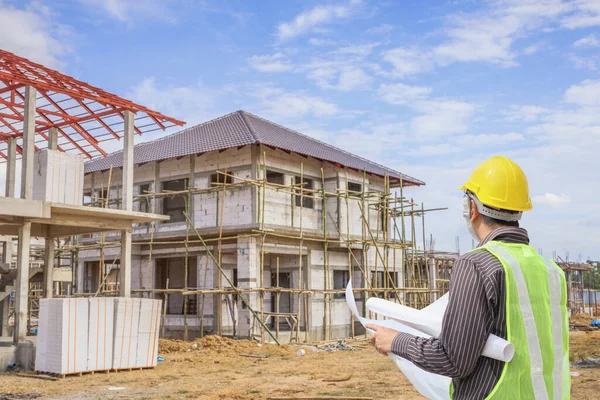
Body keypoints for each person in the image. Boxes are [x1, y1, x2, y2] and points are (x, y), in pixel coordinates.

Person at [367, 156, 570, 399]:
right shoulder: (551, 270)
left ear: (472, 208)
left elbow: (453, 359)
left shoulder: (477, 264)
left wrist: (396, 340)